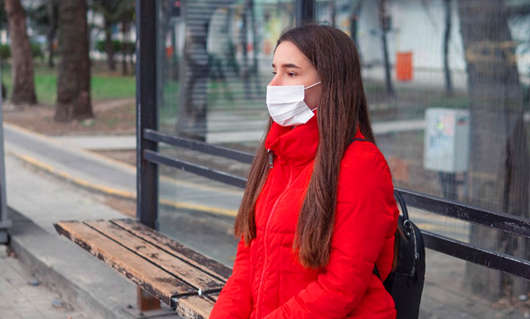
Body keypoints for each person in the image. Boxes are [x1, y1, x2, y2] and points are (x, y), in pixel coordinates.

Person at [210, 25, 399, 319]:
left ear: (331, 82)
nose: (274, 84)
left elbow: (341, 287)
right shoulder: (277, 153)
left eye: (291, 73)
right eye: (275, 71)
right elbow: (247, 263)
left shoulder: (361, 165)